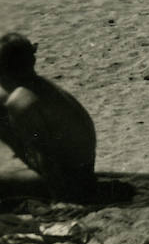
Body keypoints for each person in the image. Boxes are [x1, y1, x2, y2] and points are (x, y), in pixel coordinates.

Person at [0, 33, 97, 199]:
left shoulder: (20, 101)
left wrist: (59, 199)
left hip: (72, 181)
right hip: (83, 168)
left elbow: (46, 158)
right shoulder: (42, 86)